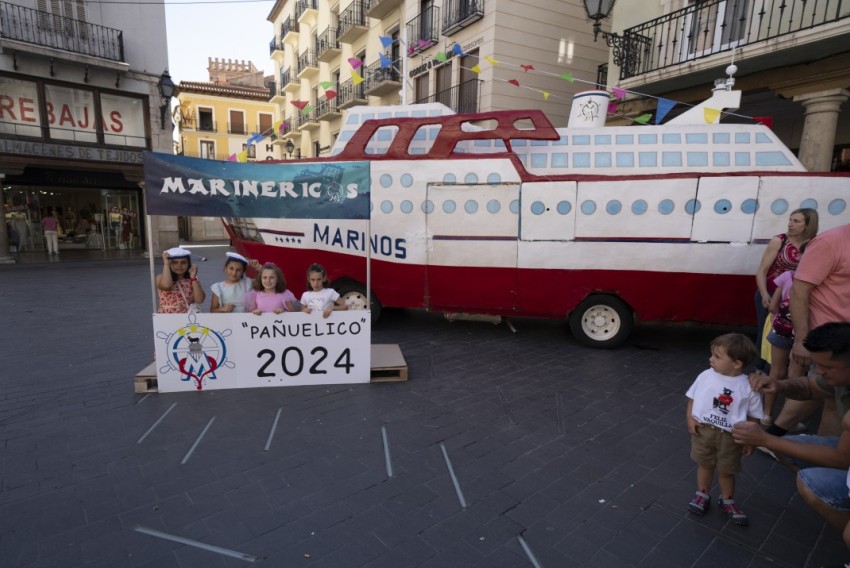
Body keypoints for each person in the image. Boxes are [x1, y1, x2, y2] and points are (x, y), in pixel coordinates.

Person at [732, 323, 850, 563]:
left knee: (809, 482)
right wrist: (780, 385)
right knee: (790, 450)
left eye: (826, 367)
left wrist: (765, 439)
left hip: (845, 456)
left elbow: (842, 458)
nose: (819, 371)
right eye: (817, 364)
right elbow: (811, 386)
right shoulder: (839, 375)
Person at [768, 221, 850, 438]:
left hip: (845, 340)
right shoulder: (831, 242)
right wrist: (801, 340)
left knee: (832, 398)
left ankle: (825, 456)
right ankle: (775, 437)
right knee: (827, 392)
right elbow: (799, 291)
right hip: (827, 339)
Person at [686, 333, 763, 525]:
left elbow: (754, 415)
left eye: (717, 357)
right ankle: (702, 494)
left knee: (727, 470)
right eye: (712, 354)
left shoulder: (747, 386)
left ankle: (727, 498)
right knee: (704, 464)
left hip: (731, 436)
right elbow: (692, 397)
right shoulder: (705, 376)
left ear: (736, 364)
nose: (711, 359)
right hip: (704, 430)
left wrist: (750, 440)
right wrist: (690, 419)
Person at [754, 208, 819, 368]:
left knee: (791, 333)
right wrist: (763, 294)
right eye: (790, 219)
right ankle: (760, 368)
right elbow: (761, 271)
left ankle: (783, 369)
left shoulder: (814, 243)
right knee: (766, 332)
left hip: (795, 296)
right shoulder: (779, 240)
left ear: (808, 225)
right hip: (770, 292)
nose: (790, 224)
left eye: (796, 221)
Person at [762, 267, 806, 424]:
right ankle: (787, 421)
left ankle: (766, 415)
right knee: (795, 377)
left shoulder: (787, 276)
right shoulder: (820, 281)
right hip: (803, 332)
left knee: (775, 373)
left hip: (782, 329)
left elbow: (773, 306)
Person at [156, 247, 206, 314]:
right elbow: (167, 286)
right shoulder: (160, 278)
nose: (179, 266)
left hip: (186, 318)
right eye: (175, 263)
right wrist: (166, 264)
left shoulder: (192, 280)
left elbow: (200, 300)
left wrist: (193, 278)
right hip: (167, 318)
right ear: (169, 264)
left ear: (188, 264)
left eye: (183, 263)